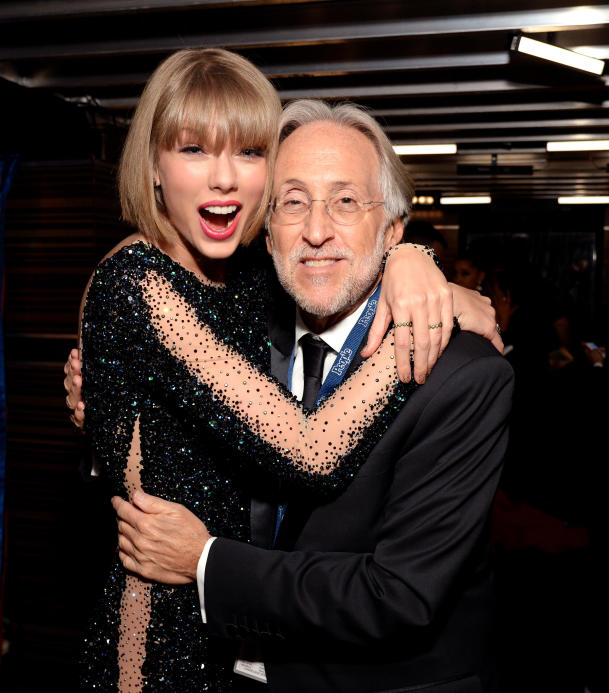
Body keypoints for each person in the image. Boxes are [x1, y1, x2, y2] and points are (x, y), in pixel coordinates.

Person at [73, 50, 501, 691]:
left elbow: (400, 594)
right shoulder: (145, 283)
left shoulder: (240, 294)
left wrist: (423, 268)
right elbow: (309, 451)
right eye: (294, 201)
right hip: (161, 648)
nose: (317, 230)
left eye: (248, 153)